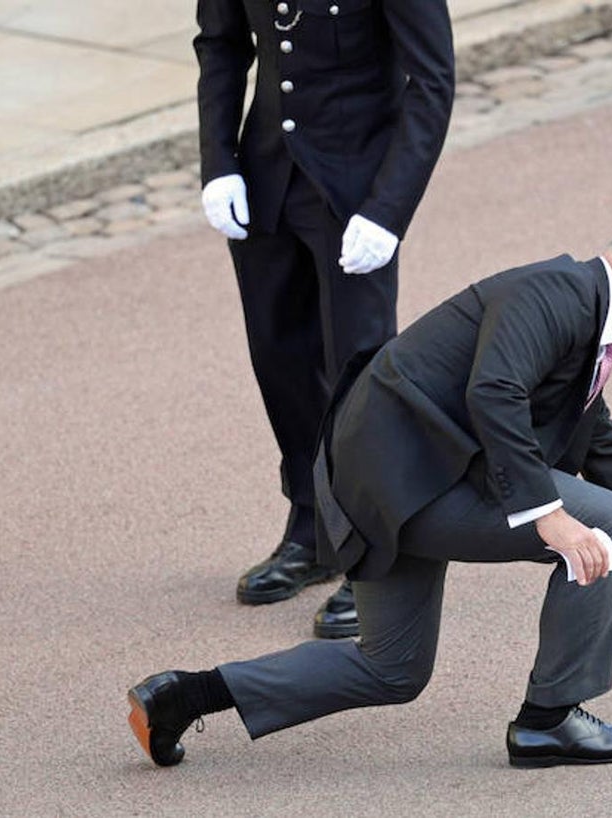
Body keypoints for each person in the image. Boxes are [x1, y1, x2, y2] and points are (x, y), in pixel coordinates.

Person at [128, 215, 612, 769]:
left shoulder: (580, 313)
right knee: (605, 523)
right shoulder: (554, 295)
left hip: (392, 482)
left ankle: (185, 695)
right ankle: (551, 720)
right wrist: (551, 516)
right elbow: (495, 393)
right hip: (405, 482)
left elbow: (602, 447)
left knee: (390, 668)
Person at [193, 0, 455, 636]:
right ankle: (311, 528)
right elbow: (223, 45)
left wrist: (389, 208)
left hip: (356, 189)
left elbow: (432, 82)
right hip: (265, 181)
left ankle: (371, 553)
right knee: (278, 356)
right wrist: (219, 161)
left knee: (361, 379)